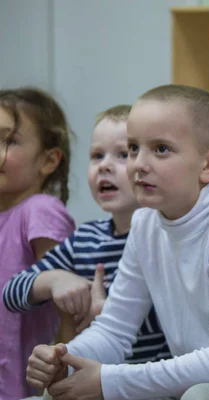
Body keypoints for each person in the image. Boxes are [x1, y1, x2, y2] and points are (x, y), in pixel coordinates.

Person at [26, 85, 209, 400]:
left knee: (204, 396)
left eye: (160, 149)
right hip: (195, 383)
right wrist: (64, 358)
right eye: (133, 148)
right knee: (58, 392)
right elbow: (115, 330)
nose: (138, 164)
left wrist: (109, 381)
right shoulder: (146, 221)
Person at [3, 104, 170, 366]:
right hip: (94, 383)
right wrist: (54, 279)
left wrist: (114, 316)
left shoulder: (166, 237)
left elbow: (179, 318)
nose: (104, 166)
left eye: (123, 154)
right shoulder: (85, 239)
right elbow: (10, 293)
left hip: (153, 383)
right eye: (96, 155)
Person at [0, 88, 76, 399]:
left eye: (9, 140)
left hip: (23, 388)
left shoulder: (40, 210)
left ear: (48, 160)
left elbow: (70, 305)